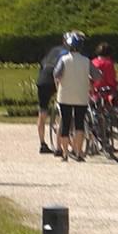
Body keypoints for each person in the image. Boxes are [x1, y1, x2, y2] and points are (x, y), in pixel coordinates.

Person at [52, 32, 92, 162]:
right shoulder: (86, 61)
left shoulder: (64, 60)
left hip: (65, 95)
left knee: (66, 123)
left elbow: (56, 74)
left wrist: (58, 86)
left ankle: (64, 153)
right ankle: (78, 151)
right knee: (79, 124)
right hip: (81, 95)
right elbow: (97, 75)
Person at [37, 33, 70, 155]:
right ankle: (58, 145)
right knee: (61, 109)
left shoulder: (53, 50)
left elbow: (42, 64)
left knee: (42, 111)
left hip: (42, 79)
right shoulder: (66, 53)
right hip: (53, 79)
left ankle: (42, 143)